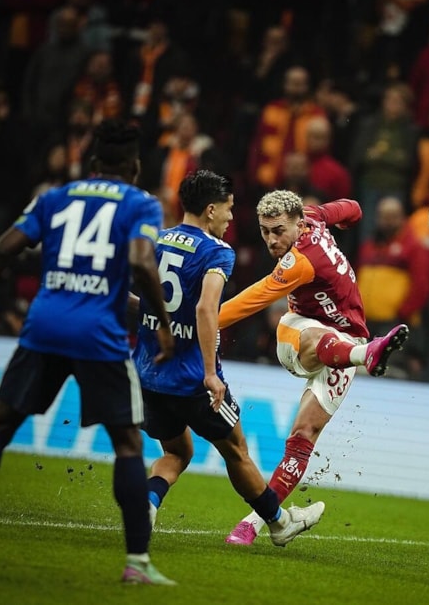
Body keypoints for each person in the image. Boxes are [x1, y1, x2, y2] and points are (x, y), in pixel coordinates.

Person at [0, 120, 177, 586]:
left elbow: (0, 251)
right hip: (98, 336)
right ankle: (136, 563)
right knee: (128, 445)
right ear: (134, 166)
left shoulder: (54, 197)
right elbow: (141, 260)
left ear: (92, 162)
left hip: (43, 328)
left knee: (0, 427)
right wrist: (162, 326)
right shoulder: (140, 203)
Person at [130, 170, 325, 547]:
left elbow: (132, 299)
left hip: (149, 373)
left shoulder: (157, 241)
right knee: (235, 450)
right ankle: (279, 523)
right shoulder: (217, 251)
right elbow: (207, 309)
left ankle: (147, 504)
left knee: (177, 451)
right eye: (228, 208)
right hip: (191, 378)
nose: (231, 217)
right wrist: (209, 373)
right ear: (210, 209)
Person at [219, 190, 409, 545]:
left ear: (299, 222)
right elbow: (353, 208)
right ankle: (367, 354)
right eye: (265, 231)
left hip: (339, 343)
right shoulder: (313, 220)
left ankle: (255, 524)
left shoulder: (302, 255)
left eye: (279, 231)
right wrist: (346, 222)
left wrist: (203, 321)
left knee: (303, 436)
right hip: (312, 337)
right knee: (316, 334)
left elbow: (252, 300)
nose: (272, 240)